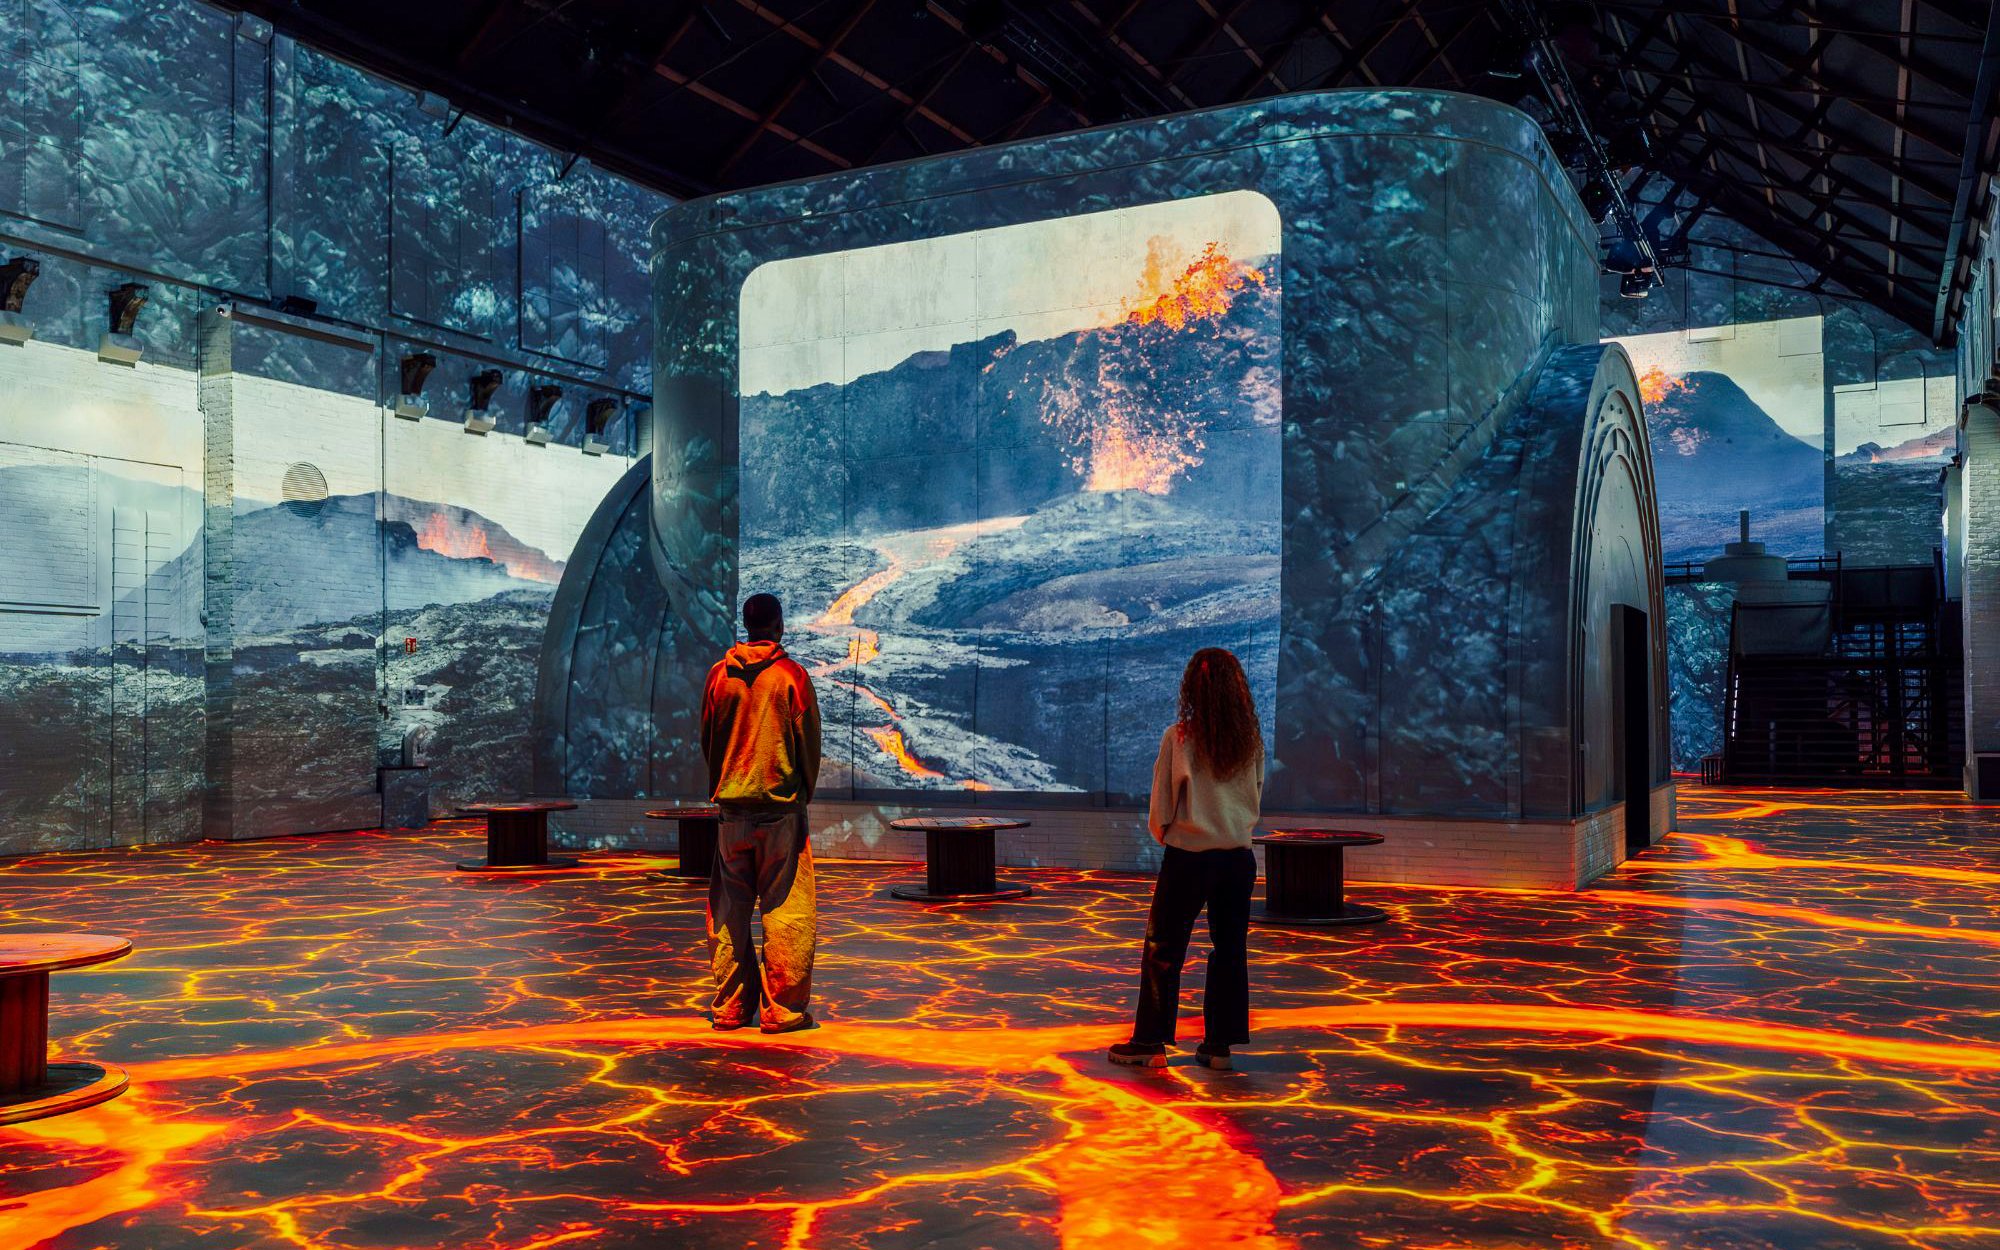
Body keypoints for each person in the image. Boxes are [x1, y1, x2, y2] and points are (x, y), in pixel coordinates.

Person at [1108, 647, 1263, 1071]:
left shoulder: (1178, 738)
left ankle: (1150, 1044)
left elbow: (1162, 805)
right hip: (1238, 859)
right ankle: (1218, 1048)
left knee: (1164, 948)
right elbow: (1257, 793)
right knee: (1230, 950)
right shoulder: (1250, 741)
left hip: (1189, 857)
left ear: (1191, 687)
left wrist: (1167, 835)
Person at [700, 592, 823, 1033]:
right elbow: (809, 746)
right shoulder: (791, 677)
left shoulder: (719, 676)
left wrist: (727, 786)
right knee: (786, 910)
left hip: (731, 814)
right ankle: (782, 1011)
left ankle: (731, 1008)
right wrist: (800, 793)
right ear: (779, 625)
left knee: (729, 914)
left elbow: (709, 740)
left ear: (747, 625)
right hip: (780, 815)